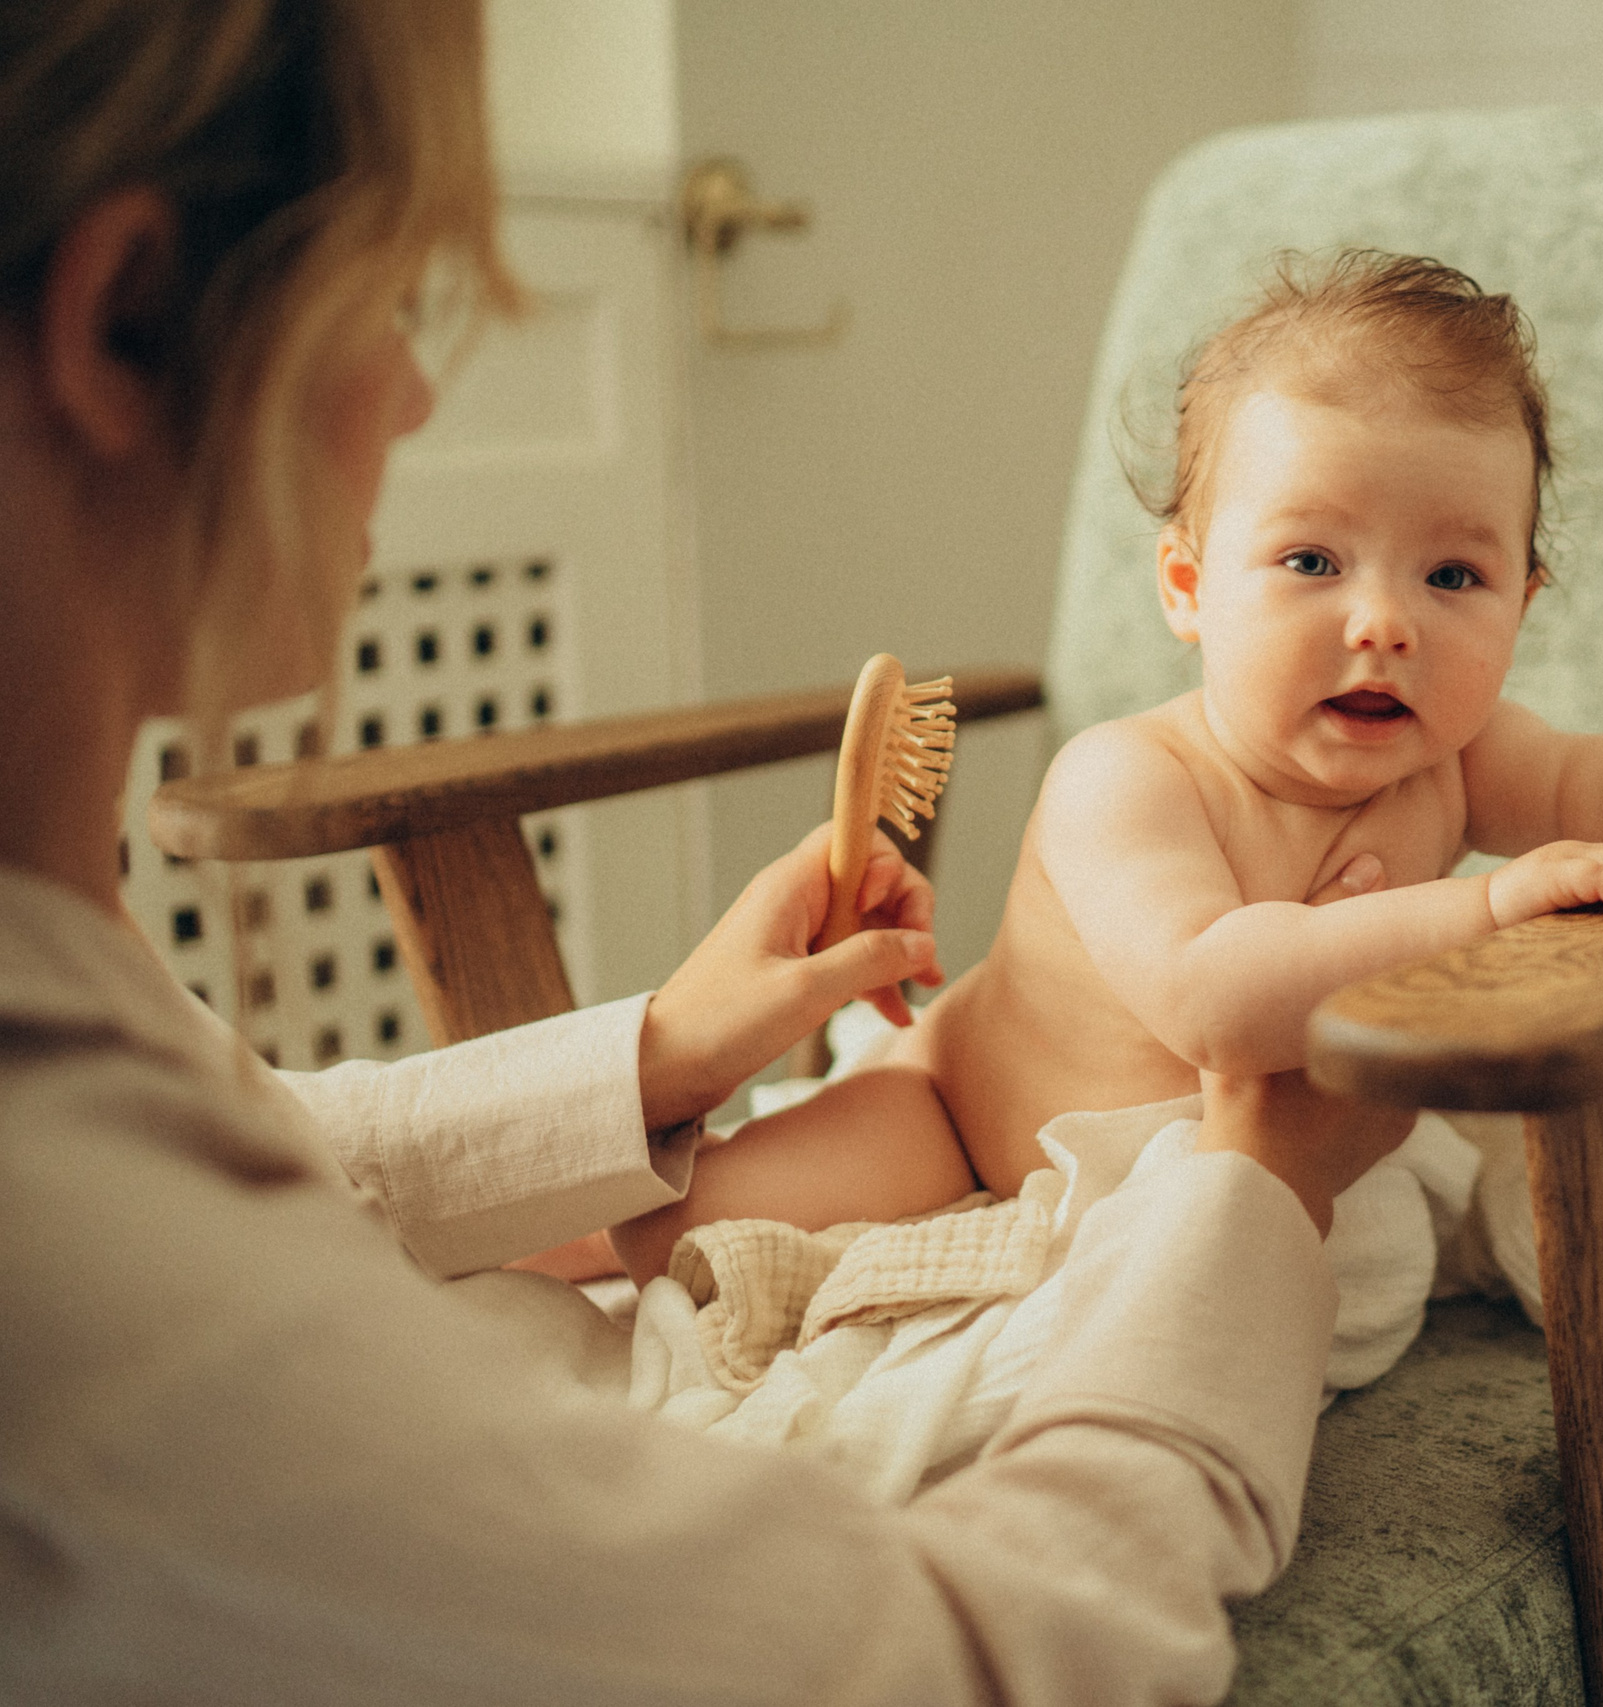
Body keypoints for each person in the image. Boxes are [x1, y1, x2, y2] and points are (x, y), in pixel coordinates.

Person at [0, 3, 1412, 1701]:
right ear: (127, 318)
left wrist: (661, 1049)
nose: (417, 389)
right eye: (393, 299)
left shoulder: (85, 1080)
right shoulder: (80, 1268)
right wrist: (1260, 1192)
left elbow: (280, 1144)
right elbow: (990, 1658)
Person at [615, 249, 1603, 1284]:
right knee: (680, 1231)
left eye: (1453, 575)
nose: (1383, 623)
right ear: (1187, 584)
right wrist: (1491, 908)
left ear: (1524, 600)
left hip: (1245, 1168)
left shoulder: (1461, 756)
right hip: (963, 1118)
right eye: (1311, 562)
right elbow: (1211, 999)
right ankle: (519, 1236)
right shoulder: (1128, 779)